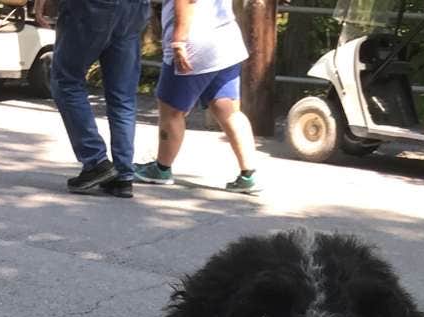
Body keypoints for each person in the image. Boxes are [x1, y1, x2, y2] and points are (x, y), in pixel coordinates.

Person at [135, 0, 259, 193]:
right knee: (230, 111)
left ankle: (161, 168)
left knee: (171, 110)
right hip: (225, 40)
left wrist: (178, 41)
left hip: (194, 43)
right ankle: (249, 174)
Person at [36, 0, 151, 197]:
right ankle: (123, 174)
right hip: (135, 7)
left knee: (66, 80)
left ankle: (96, 162)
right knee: (122, 94)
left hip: (92, 6)